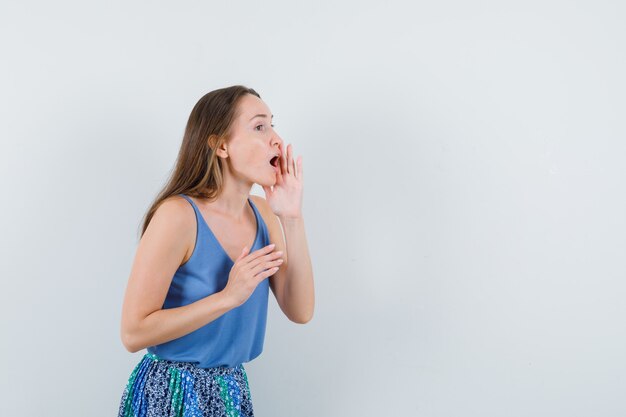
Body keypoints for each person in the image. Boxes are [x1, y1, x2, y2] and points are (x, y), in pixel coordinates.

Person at [116, 85, 315, 417]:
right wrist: (228, 297)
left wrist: (291, 217)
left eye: (272, 124)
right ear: (221, 145)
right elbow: (133, 333)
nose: (276, 139)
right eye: (259, 126)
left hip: (231, 392)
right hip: (170, 393)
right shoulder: (178, 216)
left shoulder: (263, 213)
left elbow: (301, 311)